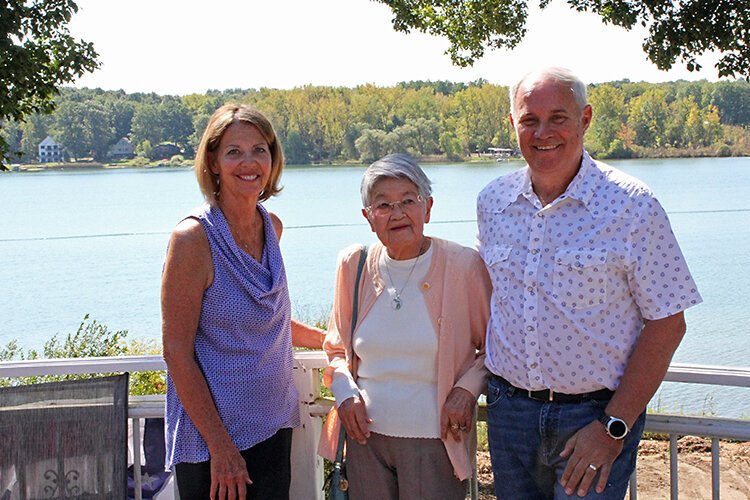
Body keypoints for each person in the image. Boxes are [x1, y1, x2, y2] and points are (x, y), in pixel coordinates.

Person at [477, 68, 703, 499]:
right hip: (509, 415)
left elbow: (669, 323)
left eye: (558, 117)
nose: (543, 132)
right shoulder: (493, 202)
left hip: (593, 418)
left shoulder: (633, 206)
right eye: (529, 120)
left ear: (585, 119)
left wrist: (613, 426)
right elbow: (494, 299)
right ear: (512, 124)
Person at [161, 104, 324, 500]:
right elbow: (176, 352)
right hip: (215, 443)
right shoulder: (193, 240)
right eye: (234, 151)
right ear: (213, 162)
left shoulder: (272, 226)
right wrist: (221, 447)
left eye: (259, 150)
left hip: (272, 423)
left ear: (272, 158)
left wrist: (333, 339)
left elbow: (267, 319)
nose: (249, 162)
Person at [319, 153, 492, 499]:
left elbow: (493, 347)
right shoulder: (354, 265)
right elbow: (337, 350)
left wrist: (466, 390)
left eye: (408, 201)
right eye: (383, 205)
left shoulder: (462, 265)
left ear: (427, 208)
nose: (397, 213)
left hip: (435, 443)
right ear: (369, 218)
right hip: (366, 441)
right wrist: (345, 393)